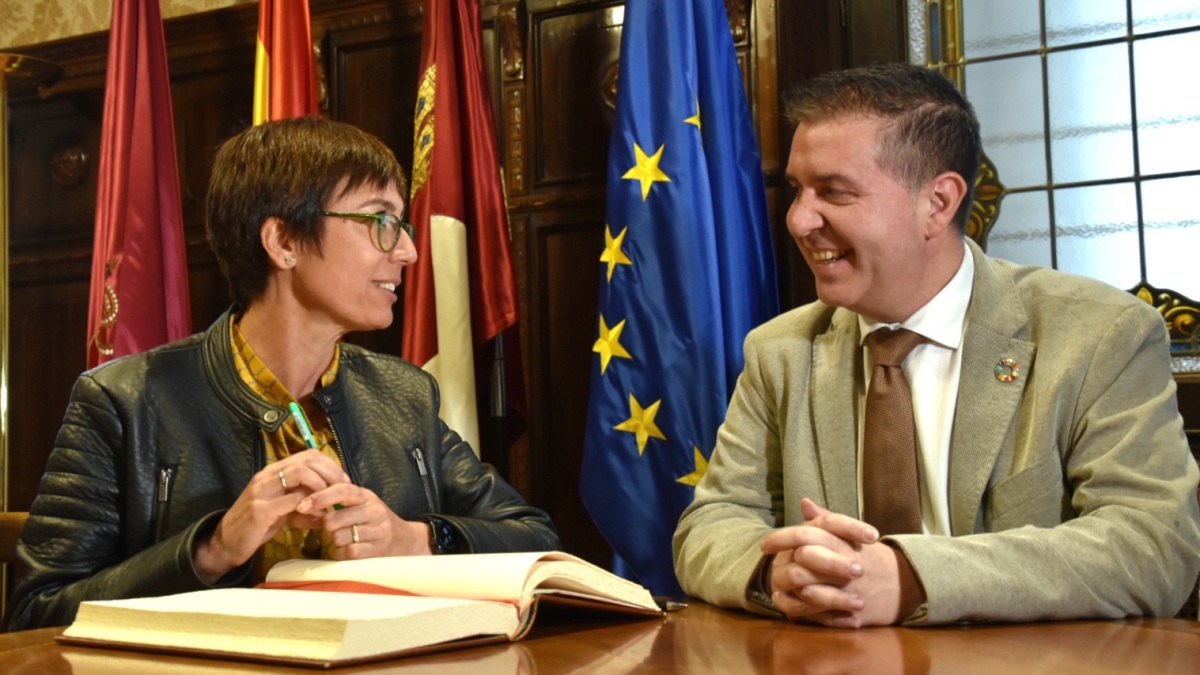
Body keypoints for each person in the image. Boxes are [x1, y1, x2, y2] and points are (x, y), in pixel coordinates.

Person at [673, 63, 1200, 627]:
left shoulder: (1100, 334)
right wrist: (778, 574)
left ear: (939, 203)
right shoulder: (780, 350)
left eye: (834, 192)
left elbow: (1152, 545)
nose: (800, 220)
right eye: (797, 191)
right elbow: (710, 525)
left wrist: (907, 576)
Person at [7, 117, 561, 631]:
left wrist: (414, 537)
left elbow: (532, 535)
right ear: (284, 242)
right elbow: (36, 614)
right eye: (382, 222)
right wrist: (210, 550)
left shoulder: (402, 394)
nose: (411, 252)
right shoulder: (122, 400)